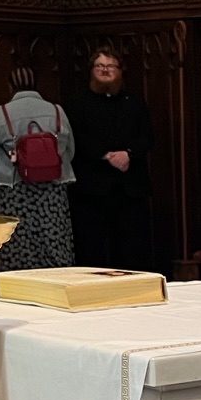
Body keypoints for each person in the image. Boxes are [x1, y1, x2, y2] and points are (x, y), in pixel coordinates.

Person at [0, 65, 75, 272]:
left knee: (18, 246)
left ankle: (18, 284)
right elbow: (70, 151)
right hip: (52, 190)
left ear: (10, 86)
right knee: (54, 242)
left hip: (14, 190)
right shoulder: (57, 111)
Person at [68, 46, 156, 270]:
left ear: (119, 71)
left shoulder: (134, 102)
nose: (105, 70)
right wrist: (106, 155)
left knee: (131, 246)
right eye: (99, 66)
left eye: (110, 66)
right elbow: (76, 136)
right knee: (92, 246)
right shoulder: (78, 102)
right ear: (91, 70)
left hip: (129, 187)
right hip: (91, 188)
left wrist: (128, 154)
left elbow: (147, 136)